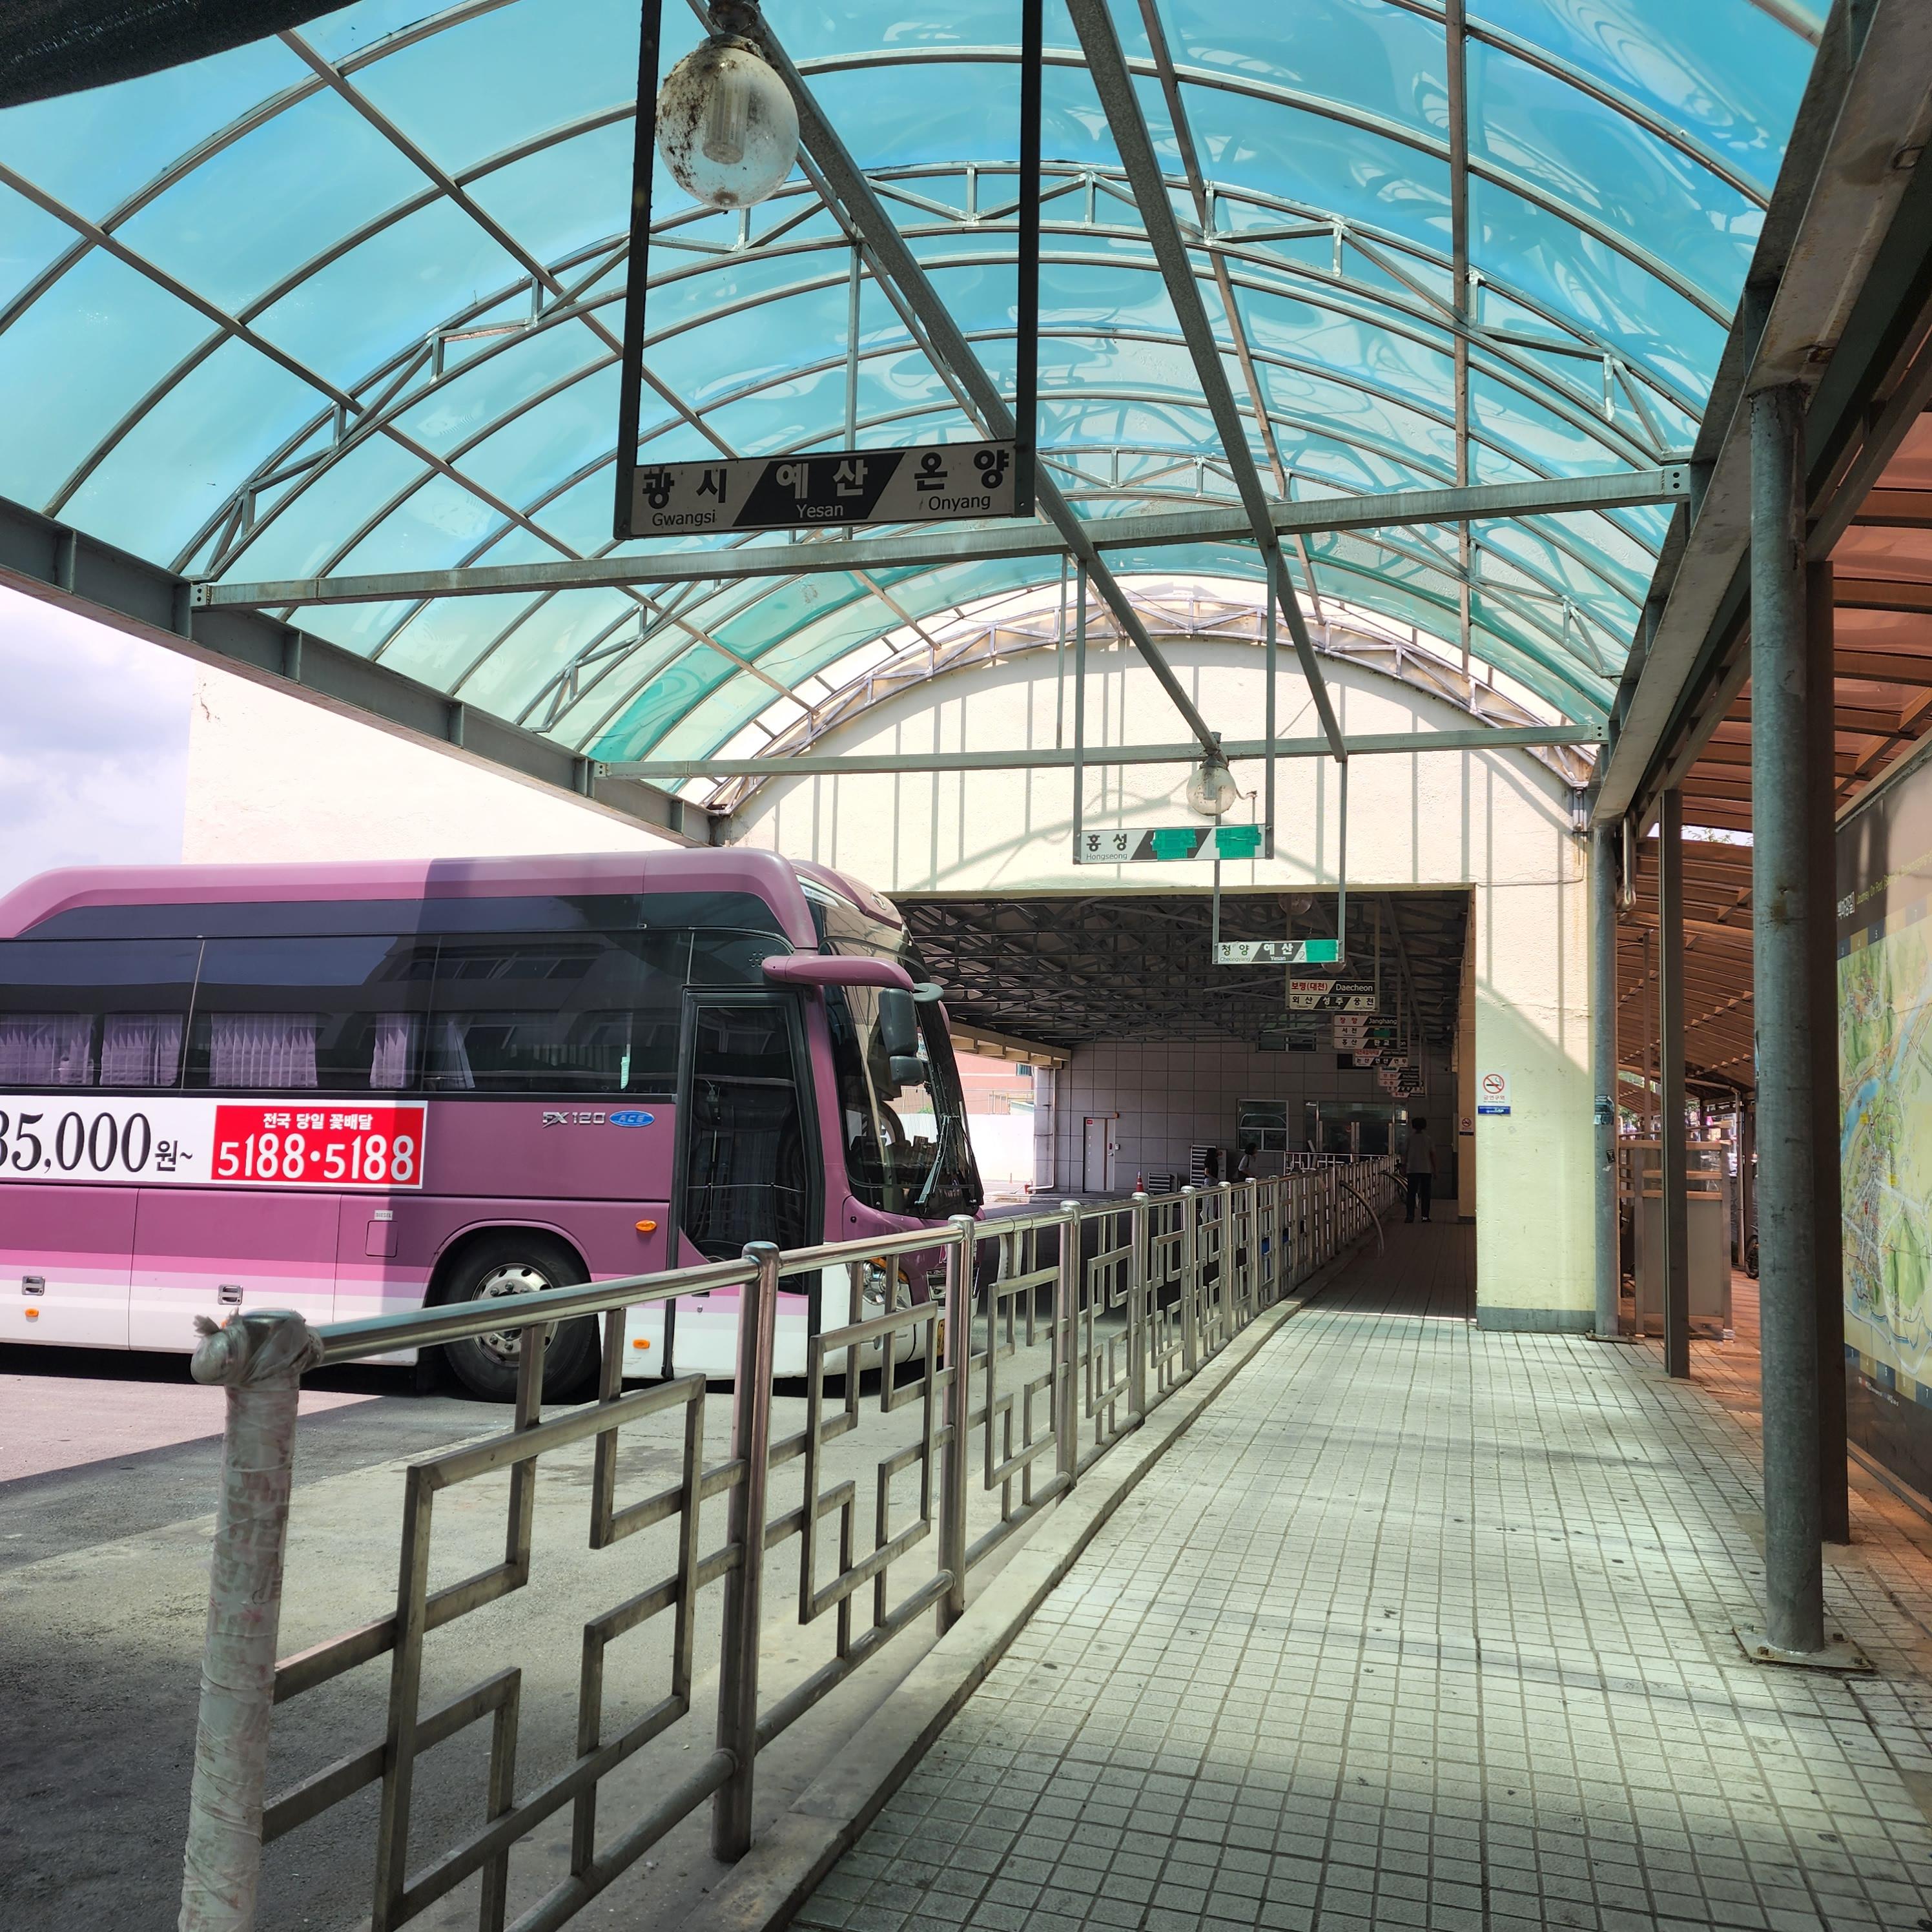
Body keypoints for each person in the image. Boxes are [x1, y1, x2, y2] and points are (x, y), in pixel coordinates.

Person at [1404, 1116, 1436, 1224]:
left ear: (1413, 1126)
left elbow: (1405, 1154)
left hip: (1412, 1169)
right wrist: (1435, 1170)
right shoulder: (1428, 1139)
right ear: (1425, 1126)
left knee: (1411, 1194)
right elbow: (1432, 1155)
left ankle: (1410, 1216)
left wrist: (1404, 1167)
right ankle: (1425, 1216)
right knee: (1426, 1194)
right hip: (1426, 1170)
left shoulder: (1409, 1139)